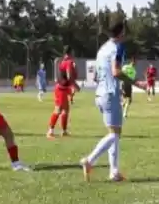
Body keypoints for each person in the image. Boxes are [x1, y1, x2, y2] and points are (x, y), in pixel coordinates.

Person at [80, 17, 145, 182]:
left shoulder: (102, 49)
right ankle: (90, 161)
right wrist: (137, 83)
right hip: (110, 94)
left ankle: (114, 172)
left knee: (114, 133)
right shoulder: (118, 48)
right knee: (114, 136)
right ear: (121, 32)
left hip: (100, 94)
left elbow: (96, 76)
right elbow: (116, 72)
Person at [48, 52, 79, 138]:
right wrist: (75, 85)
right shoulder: (68, 63)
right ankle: (50, 131)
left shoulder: (65, 62)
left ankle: (64, 131)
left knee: (65, 110)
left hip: (64, 88)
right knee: (58, 110)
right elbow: (69, 76)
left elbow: (67, 76)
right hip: (61, 89)